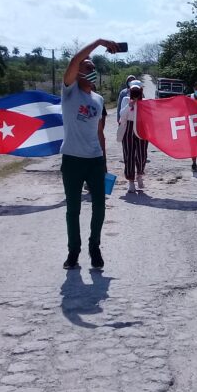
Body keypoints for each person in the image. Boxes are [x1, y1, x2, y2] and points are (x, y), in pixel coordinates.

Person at [60, 38, 119, 271]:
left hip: (94, 160)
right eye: (87, 68)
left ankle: (95, 246)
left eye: (94, 68)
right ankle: (73, 250)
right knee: (73, 208)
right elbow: (75, 59)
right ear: (77, 72)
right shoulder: (69, 93)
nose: (91, 70)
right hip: (72, 159)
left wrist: (104, 162)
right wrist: (100, 42)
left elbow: (100, 133)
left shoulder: (99, 100)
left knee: (99, 206)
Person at [118, 80, 149, 193]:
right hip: (129, 128)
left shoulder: (146, 102)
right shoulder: (126, 100)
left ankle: (139, 175)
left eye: (137, 91)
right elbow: (122, 115)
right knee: (129, 154)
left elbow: (150, 117)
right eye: (133, 91)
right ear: (130, 91)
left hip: (141, 128)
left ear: (141, 91)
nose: (135, 93)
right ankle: (131, 181)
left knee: (142, 154)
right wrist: (130, 105)